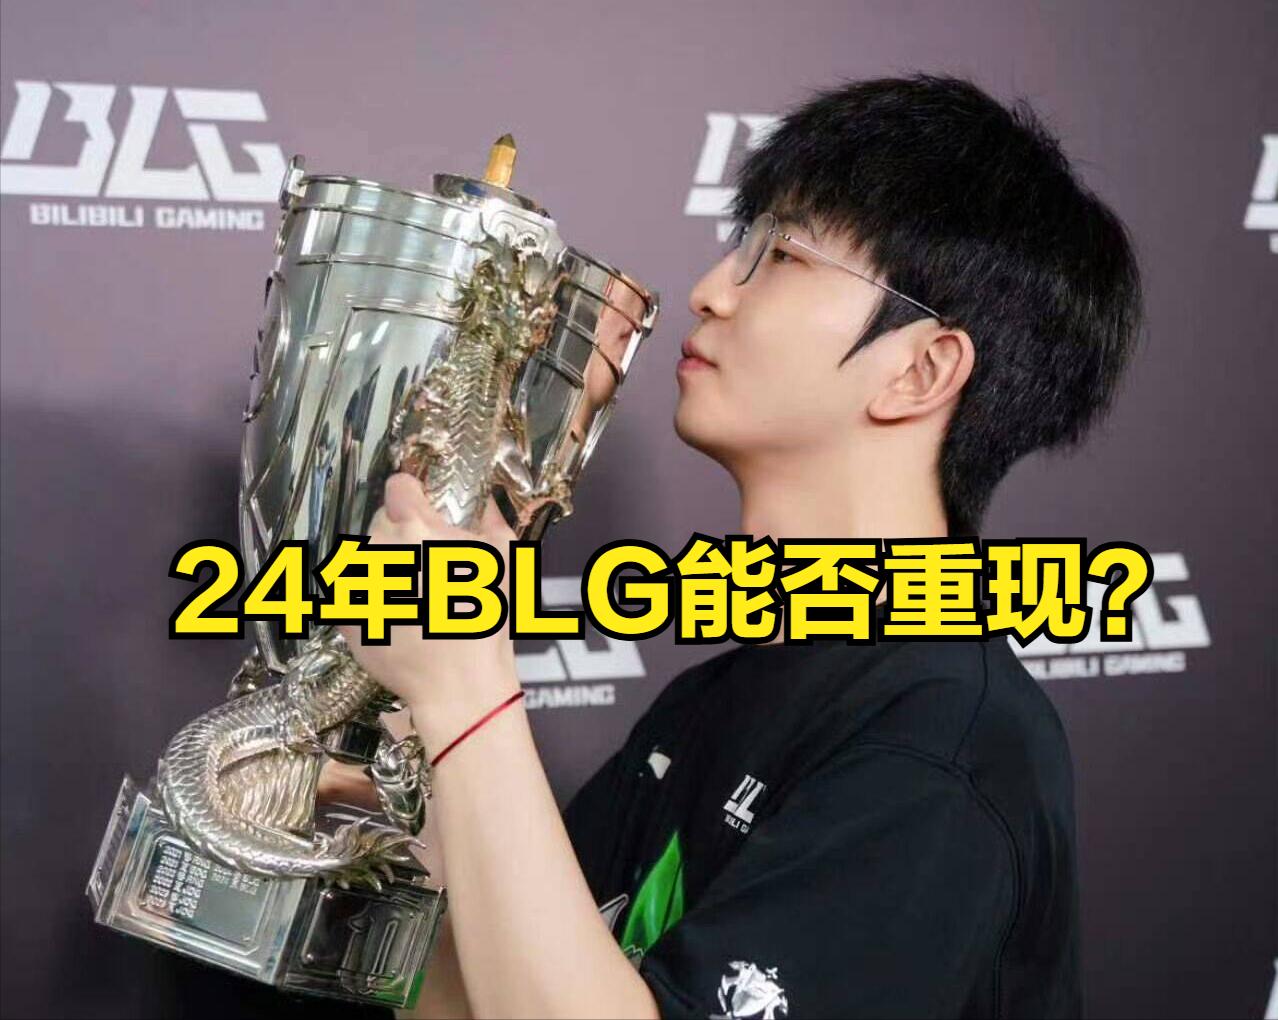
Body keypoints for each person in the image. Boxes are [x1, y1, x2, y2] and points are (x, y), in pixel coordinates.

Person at [341, 73, 1142, 1018]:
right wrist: (415, 739)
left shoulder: (945, 747)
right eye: (741, 248)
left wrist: (469, 689)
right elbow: (491, 999)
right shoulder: (708, 703)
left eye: (782, 256)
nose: (711, 292)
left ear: (922, 368)